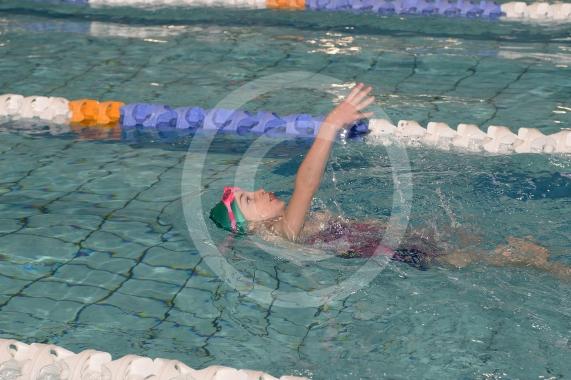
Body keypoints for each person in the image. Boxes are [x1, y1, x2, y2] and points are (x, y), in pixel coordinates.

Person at [210, 83, 570, 278]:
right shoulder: (284, 233)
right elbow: (306, 184)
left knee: (483, 245)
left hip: (397, 241)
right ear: (249, 226)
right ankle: (555, 272)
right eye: (248, 200)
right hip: (400, 254)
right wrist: (331, 124)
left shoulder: (286, 227)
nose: (257, 192)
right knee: (502, 258)